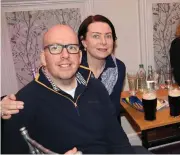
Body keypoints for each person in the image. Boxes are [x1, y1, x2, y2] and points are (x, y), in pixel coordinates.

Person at [2, 25, 135, 154]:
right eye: (55, 48)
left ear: (79, 57)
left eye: (71, 47)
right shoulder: (22, 103)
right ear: (43, 58)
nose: (65, 55)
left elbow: (118, 139)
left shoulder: (96, 87)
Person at [1, 15, 126, 124]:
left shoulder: (118, 67)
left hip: (108, 134)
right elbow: (37, 95)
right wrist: (5, 103)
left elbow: (113, 110)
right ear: (84, 42)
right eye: (96, 36)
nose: (103, 42)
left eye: (108, 36)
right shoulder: (68, 65)